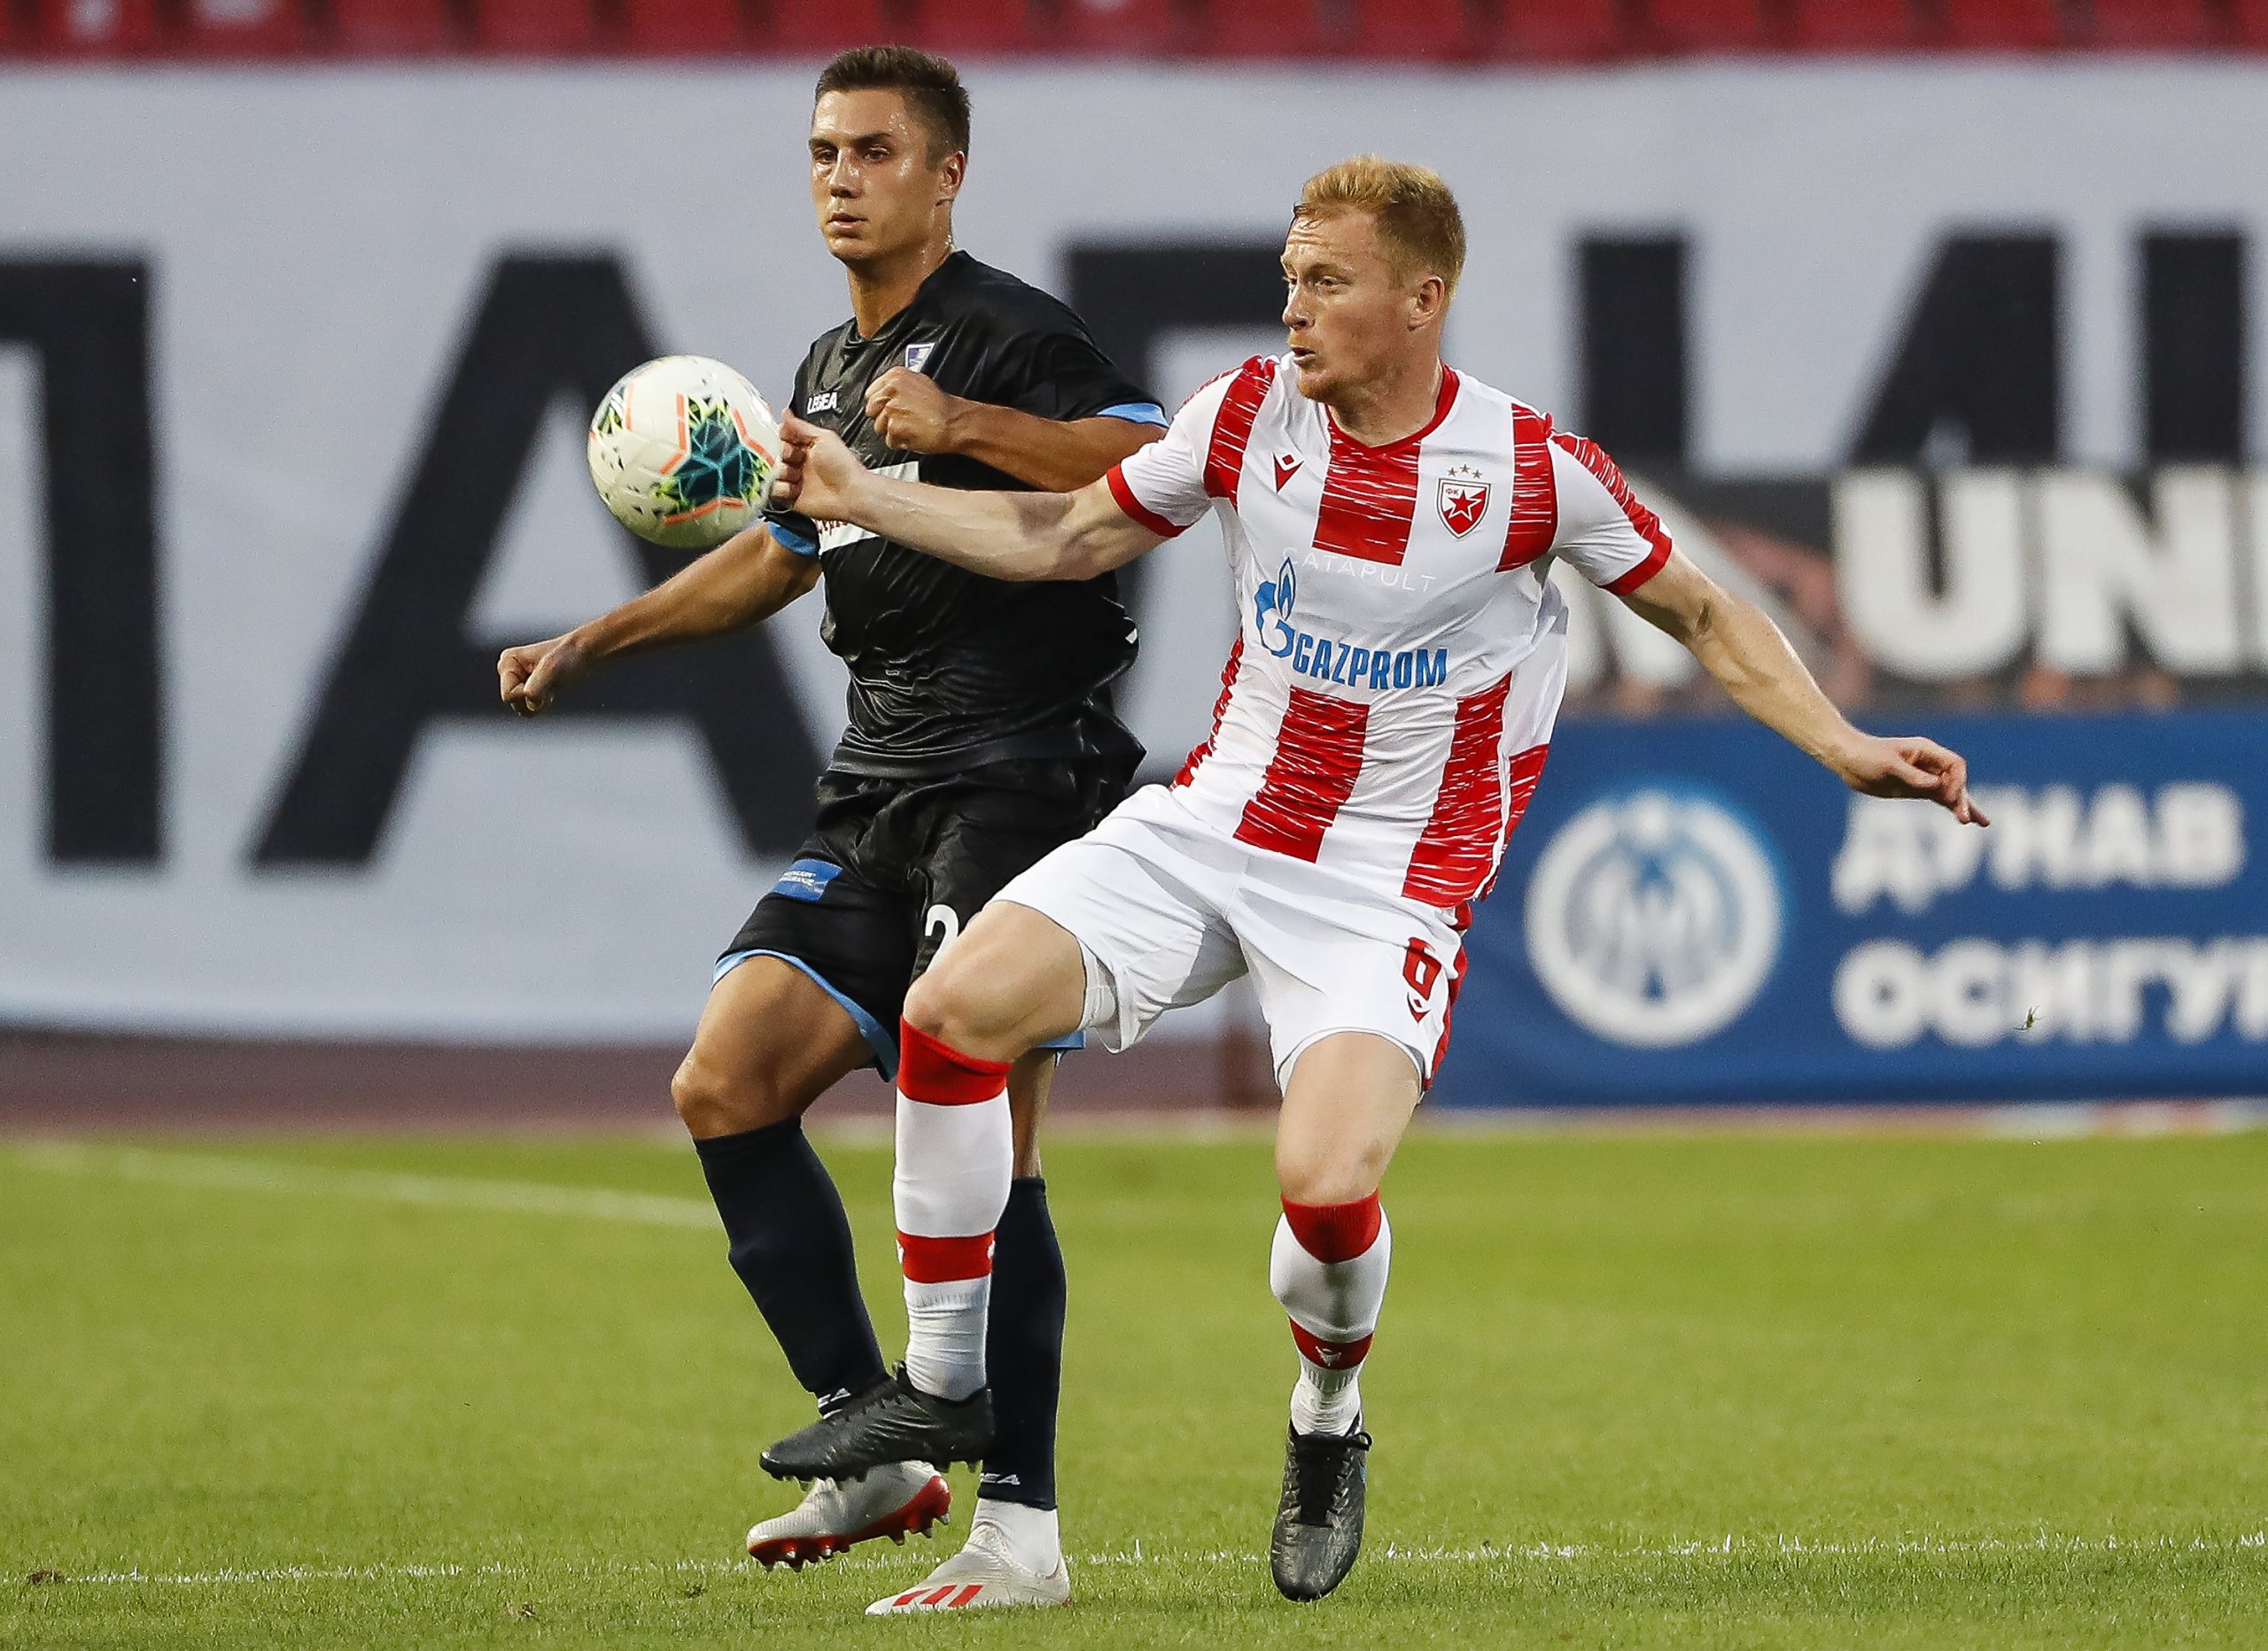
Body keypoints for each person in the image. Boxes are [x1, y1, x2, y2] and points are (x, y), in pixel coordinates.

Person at [757, 155, 1990, 1608]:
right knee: (953, 1010)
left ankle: (1327, 1415)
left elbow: (1703, 606)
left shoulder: (1531, 471)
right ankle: (947, 1390)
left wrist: (1841, 745)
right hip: (1216, 825)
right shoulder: (1243, 418)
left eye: (1327, 282)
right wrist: (867, 496)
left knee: (1323, 1191)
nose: (1293, 307)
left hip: (1385, 887)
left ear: (1423, 298)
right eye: (1289, 275)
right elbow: (1062, 535)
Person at [496, 45, 1164, 1613]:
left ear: (944, 175)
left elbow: (1157, 461)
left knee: (992, 1143)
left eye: (873, 149)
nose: (840, 176)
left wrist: (971, 423)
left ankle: (1024, 1533)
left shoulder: (1014, 332)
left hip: (1021, 777)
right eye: (819, 152)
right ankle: (879, 1445)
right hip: (879, 785)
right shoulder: (825, 368)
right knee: (724, 1080)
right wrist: (595, 638)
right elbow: (783, 553)